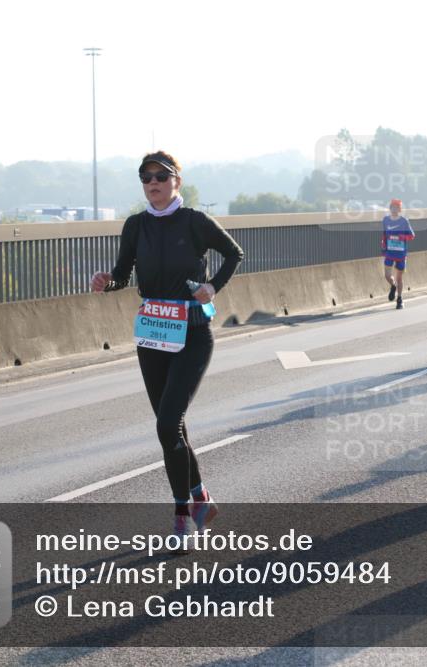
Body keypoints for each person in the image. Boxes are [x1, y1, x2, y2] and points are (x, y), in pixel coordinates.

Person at [91, 151, 244, 543]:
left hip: (192, 335)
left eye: (161, 175)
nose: (153, 182)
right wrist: (107, 280)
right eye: (146, 177)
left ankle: (183, 517)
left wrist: (214, 286)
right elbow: (124, 274)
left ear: (177, 180)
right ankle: (200, 497)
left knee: (167, 423)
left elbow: (234, 253)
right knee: (171, 429)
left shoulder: (194, 222)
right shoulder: (136, 226)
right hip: (153, 336)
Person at [381, 198, 415, 310]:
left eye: (397, 207)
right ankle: (393, 286)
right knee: (387, 275)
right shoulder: (385, 220)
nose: (394, 209)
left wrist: (401, 237)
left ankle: (399, 299)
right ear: (390, 208)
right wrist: (383, 246)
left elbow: (412, 236)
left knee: (399, 277)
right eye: (392, 207)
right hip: (389, 252)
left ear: (400, 209)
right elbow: (384, 234)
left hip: (401, 254)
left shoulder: (404, 221)